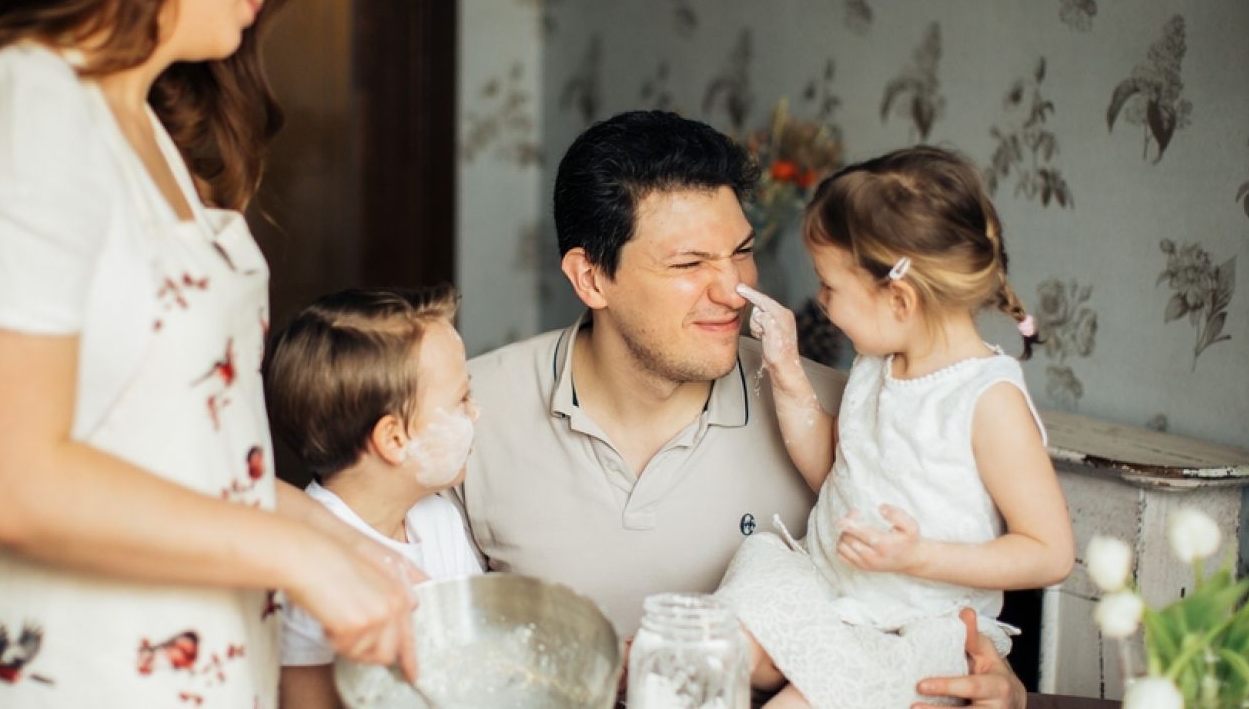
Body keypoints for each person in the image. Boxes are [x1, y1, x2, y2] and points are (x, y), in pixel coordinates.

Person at [0, 0, 416, 706]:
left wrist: (338, 540)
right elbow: (12, 480)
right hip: (65, 671)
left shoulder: (139, 121)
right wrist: (300, 560)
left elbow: (170, 450)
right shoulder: (25, 103)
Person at [456, 110, 1032, 708]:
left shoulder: (856, 420)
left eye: (742, 252)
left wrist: (1004, 692)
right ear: (592, 278)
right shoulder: (469, 417)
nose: (732, 290)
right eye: (689, 263)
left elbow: (937, 623)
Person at [717, 146, 1075, 708]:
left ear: (900, 299)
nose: (820, 300)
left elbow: (1050, 552)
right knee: (717, 647)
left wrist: (919, 556)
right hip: (830, 591)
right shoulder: (876, 366)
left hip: (915, 629)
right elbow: (832, 471)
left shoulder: (985, 400)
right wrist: (786, 370)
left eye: (830, 286)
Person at [266, 286, 484, 708]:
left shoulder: (438, 519)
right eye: (462, 399)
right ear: (394, 438)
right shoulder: (312, 565)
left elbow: (470, 650)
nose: (476, 413)